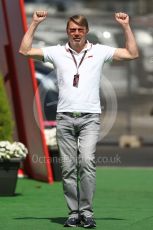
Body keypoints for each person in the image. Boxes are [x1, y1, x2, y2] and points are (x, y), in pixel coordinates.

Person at [19, 11, 139, 228]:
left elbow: (132, 53)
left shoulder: (100, 51)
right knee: (67, 168)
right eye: (72, 29)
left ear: (87, 31)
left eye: (80, 30)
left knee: (86, 162)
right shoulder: (57, 52)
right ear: (67, 31)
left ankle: (87, 212)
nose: (76, 33)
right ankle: (73, 212)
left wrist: (126, 26)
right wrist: (35, 22)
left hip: (90, 119)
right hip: (64, 118)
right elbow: (25, 50)